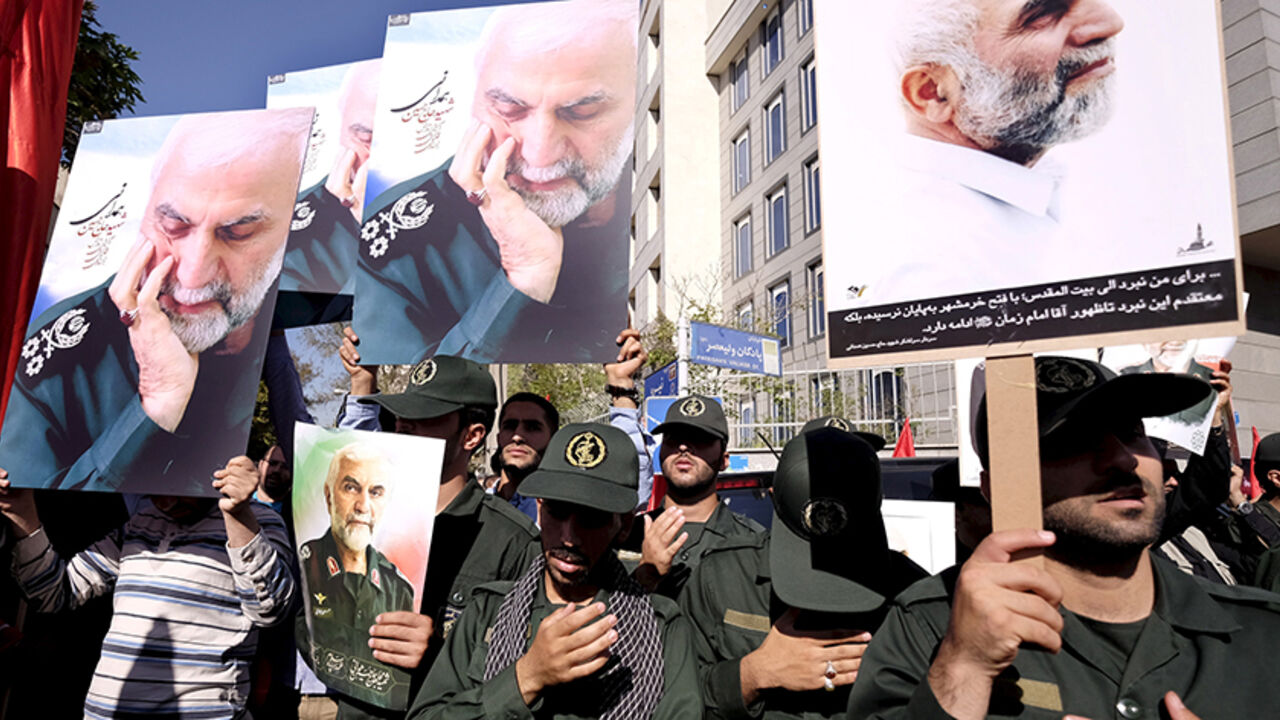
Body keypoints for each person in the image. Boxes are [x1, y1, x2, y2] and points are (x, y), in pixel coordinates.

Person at [846, 356, 1280, 719]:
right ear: (996, 488)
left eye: (1133, 433)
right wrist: (963, 670)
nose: (1123, 458)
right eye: (1076, 439)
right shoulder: (929, 630)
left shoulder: (1262, 632)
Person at [0, 109, 312, 494]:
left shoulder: (302, 313)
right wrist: (155, 406)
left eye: (237, 232)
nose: (193, 274)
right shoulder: (59, 360)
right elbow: (29, 521)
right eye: (174, 226)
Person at [352, 0, 636, 363]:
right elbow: (415, 404)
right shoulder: (398, 244)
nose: (539, 153)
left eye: (581, 112)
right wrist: (523, 279)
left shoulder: (667, 196)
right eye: (509, 110)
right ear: (473, 103)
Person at [407, 423, 700, 719]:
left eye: (591, 518)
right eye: (557, 512)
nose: (568, 536)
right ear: (538, 508)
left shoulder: (662, 627)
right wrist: (526, 678)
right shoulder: (487, 611)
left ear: (623, 525)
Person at [845, 0, 1126, 307]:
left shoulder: (1031, 187)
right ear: (933, 92)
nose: (1110, 22)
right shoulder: (931, 268)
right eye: (1043, 14)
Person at [317, 335, 540, 719]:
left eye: (424, 416)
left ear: (471, 435)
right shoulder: (361, 514)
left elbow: (521, 671)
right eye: (403, 413)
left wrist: (439, 649)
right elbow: (311, 623)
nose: (404, 424)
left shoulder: (513, 540)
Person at [0, 458, 295, 718]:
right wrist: (22, 510)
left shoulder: (262, 521)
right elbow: (54, 593)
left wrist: (239, 517)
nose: (163, 502)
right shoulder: (141, 524)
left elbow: (270, 609)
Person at [681, 426, 927, 719]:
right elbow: (674, 696)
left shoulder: (914, 596)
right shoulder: (719, 578)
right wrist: (752, 674)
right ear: (774, 497)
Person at [300, 443, 417, 707]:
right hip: (312, 701)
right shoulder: (304, 566)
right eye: (351, 487)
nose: (363, 506)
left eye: (376, 492)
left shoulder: (398, 588)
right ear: (329, 496)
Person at [619, 394, 764, 599]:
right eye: (673, 439)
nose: (684, 448)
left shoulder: (754, 543)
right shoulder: (625, 536)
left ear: (724, 460)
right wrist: (643, 579)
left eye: (700, 439)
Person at [282, 59, 380, 301]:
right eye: (366, 138)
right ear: (340, 130)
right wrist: (369, 234)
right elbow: (315, 335)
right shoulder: (296, 240)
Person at [488, 392, 559, 522]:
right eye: (509, 426)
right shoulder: (473, 509)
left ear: (553, 439)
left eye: (532, 428)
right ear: (499, 437)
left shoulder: (562, 519)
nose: (517, 436)